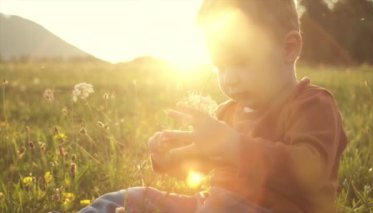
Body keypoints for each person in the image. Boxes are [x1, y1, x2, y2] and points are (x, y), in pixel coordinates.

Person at [80, 0, 347, 212]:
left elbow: (311, 171)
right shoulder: (228, 112)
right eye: (219, 67)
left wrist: (233, 145)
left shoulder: (312, 105)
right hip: (211, 205)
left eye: (241, 62)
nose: (228, 78)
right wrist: (170, 157)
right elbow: (201, 164)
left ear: (288, 48)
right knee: (130, 200)